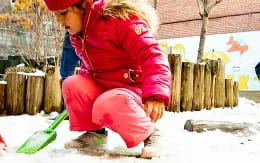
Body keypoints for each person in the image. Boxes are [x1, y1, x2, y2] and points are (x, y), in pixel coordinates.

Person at [43, 0, 171, 158]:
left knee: (107, 102)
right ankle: (95, 135)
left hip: (130, 91)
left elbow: (153, 55)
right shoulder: (79, 34)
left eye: (63, 14)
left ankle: (151, 135)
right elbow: (89, 67)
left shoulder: (119, 20)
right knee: (72, 84)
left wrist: (156, 95)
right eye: (56, 15)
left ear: (84, 5)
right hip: (105, 88)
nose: (60, 21)